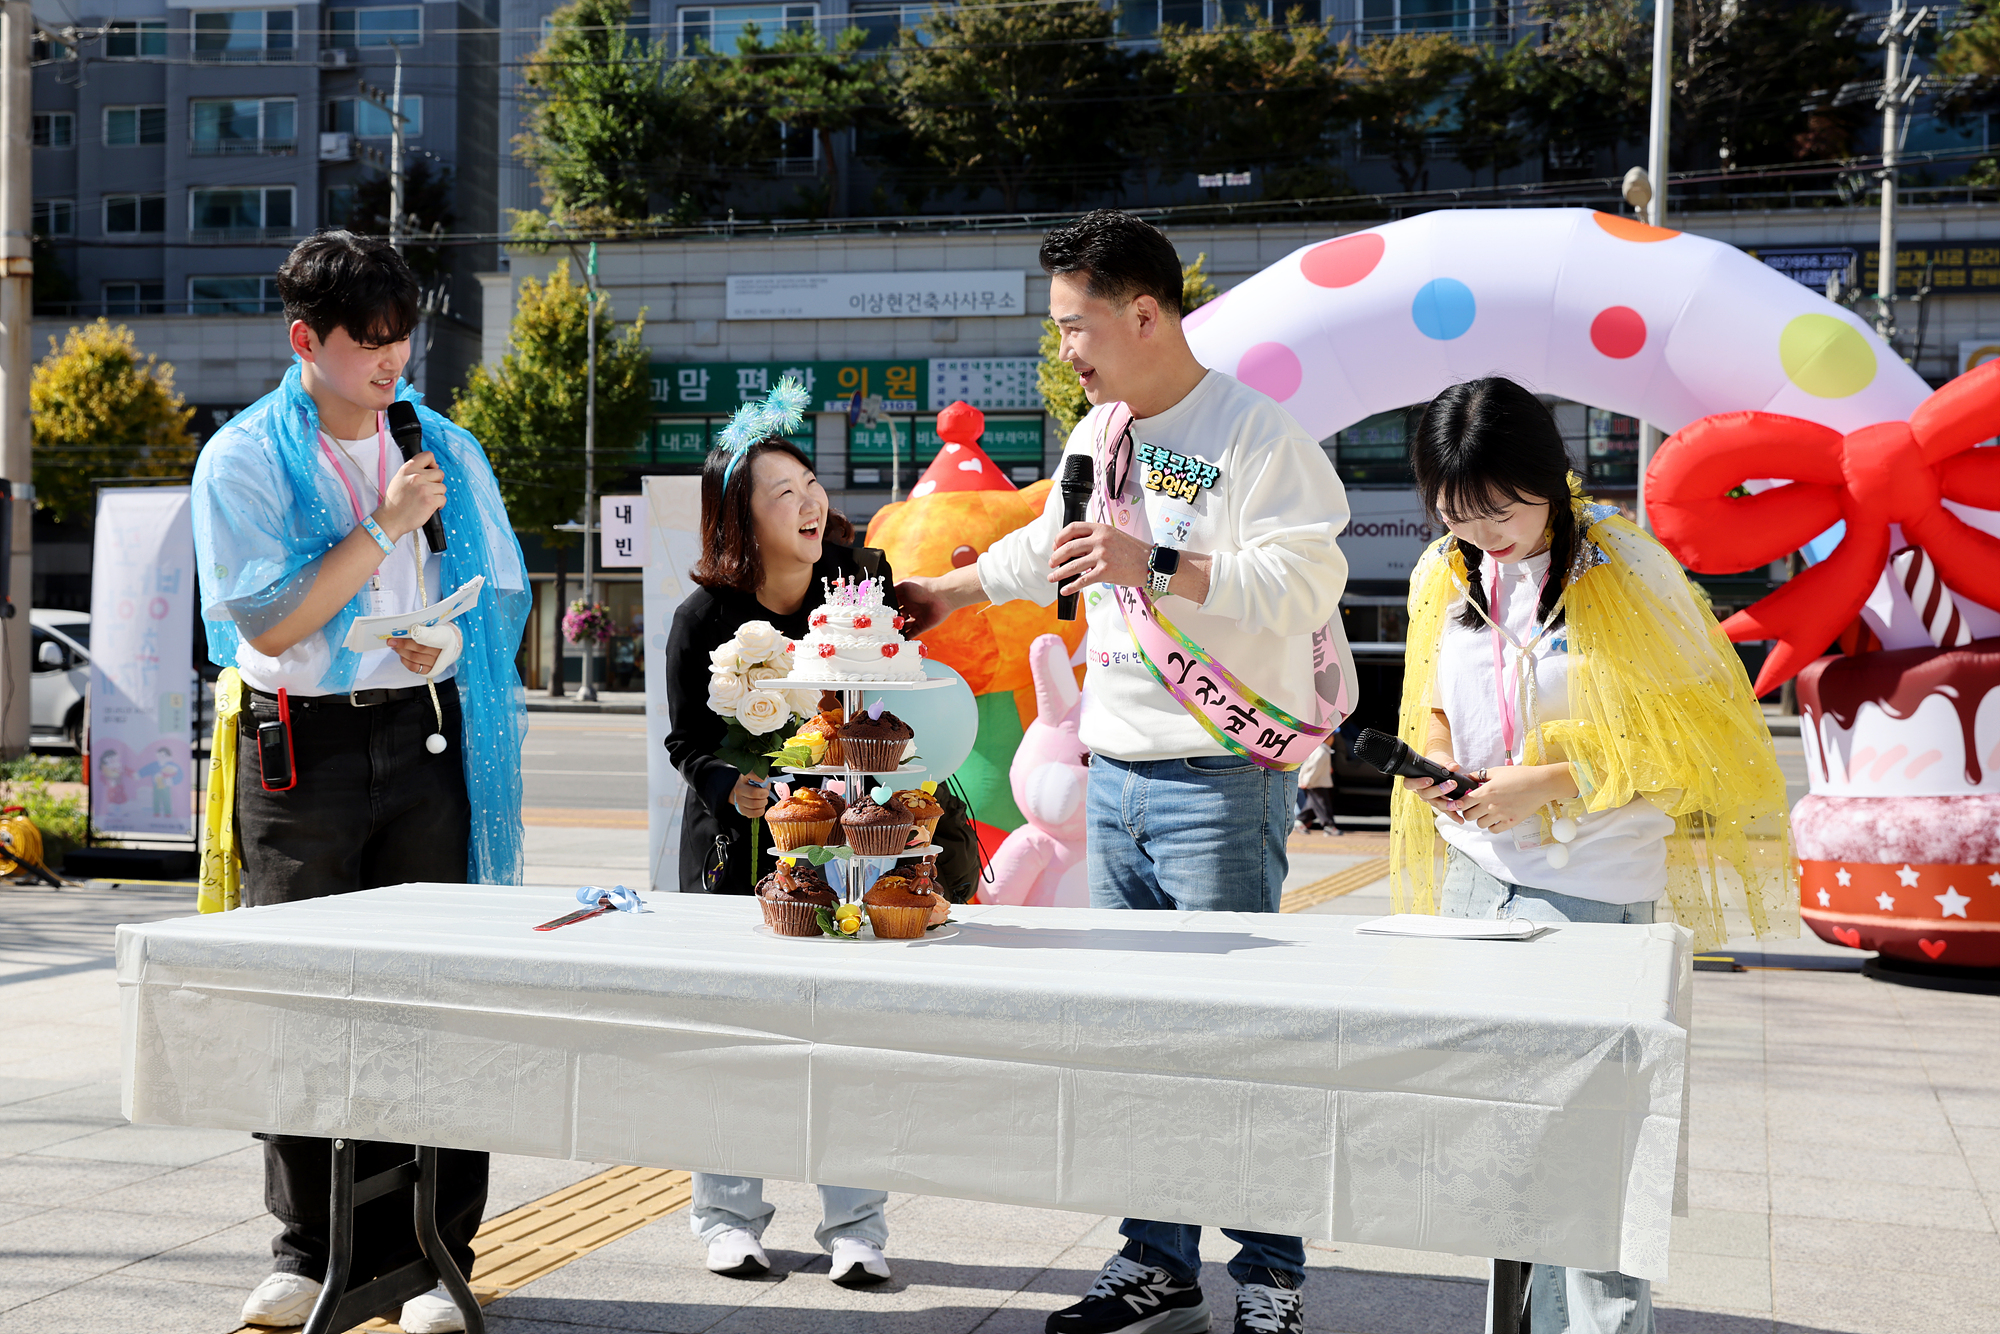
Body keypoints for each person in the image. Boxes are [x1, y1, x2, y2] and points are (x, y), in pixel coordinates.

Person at [898, 209, 1353, 1334]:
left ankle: (1271, 1277)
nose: (1064, 349)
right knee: (1137, 1039)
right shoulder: (1094, 437)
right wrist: (943, 598)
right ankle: (1156, 1258)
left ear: (1142, 312)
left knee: (1236, 1040)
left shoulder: (1256, 434)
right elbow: (1040, 546)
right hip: (1114, 777)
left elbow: (1303, 582)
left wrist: (1155, 561)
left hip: (1216, 780)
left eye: (1074, 325)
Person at [1389, 378, 1791, 1334]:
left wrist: (1546, 780)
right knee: (1503, 1137)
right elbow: (1435, 700)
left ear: (1551, 479)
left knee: (1592, 1144)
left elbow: (1699, 735)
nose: (1483, 535)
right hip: (1476, 873)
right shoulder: (1444, 571)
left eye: (1502, 510)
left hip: (1590, 885)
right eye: (1455, 514)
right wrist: (1439, 762)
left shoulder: (1626, 565)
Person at [192, 231, 530, 1334]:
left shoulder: (438, 442)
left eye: (404, 339)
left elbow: (488, 590)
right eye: (369, 343)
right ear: (307, 340)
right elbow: (274, 617)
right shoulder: (242, 456)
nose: (393, 363)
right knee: (304, 994)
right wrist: (384, 521)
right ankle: (306, 1247)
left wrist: (444, 639)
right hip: (299, 749)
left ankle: (437, 1252)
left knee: (432, 991)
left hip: (422, 730)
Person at [659, 390, 898, 1288]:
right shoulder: (704, 619)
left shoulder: (857, 587)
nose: (807, 503)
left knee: (848, 1037)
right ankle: (726, 1217)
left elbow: (891, 703)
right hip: (736, 853)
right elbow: (685, 743)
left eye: (808, 484)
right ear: (740, 521)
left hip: (849, 844)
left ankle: (858, 1227)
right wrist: (735, 787)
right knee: (735, 1035)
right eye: (780, 493)